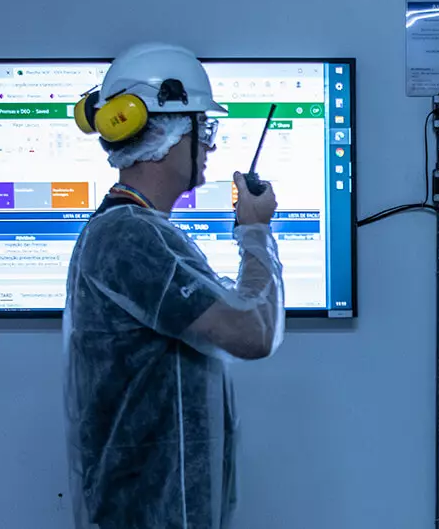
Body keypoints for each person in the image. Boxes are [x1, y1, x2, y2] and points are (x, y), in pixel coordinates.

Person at [62, 42, 285, 529]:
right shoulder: (129, 237)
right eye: (204, 129)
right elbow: (251, 332)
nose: (210, 145)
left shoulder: (136, 231)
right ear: (167, 134)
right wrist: (255, 231)